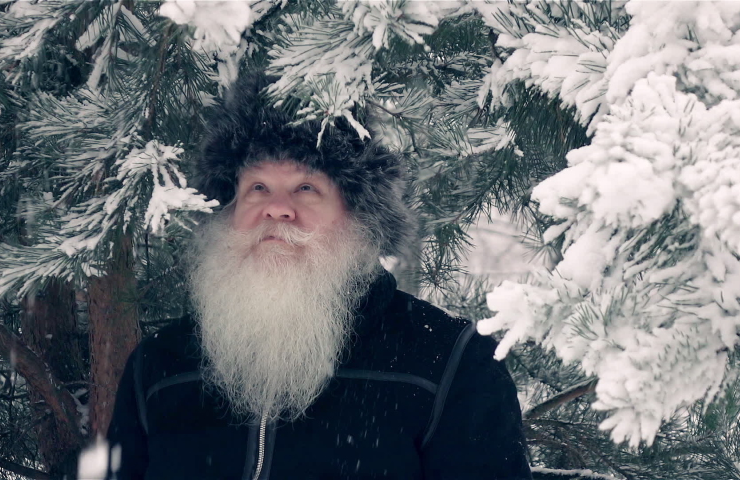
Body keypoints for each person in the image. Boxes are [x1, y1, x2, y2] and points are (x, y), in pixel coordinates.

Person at [105, 72, 532, 480]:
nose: (277, 208)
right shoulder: (159, 364)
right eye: (257, 187)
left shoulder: (450, 362)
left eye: (306, 188)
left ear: (358, 217)